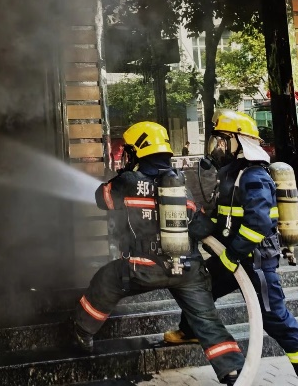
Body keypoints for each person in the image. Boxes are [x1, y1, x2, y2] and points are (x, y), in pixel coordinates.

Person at [164, 110, 298, 386]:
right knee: (199, 285)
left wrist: (231, 255)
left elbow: (258, 224)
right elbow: (221, 218)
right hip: (234, 257)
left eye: (222, 141)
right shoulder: (231, 176)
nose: (217, 148)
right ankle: (190, 329)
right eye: (216, 142)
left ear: (239, 142)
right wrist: (196, 226)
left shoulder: (254, 177)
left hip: (256, 261)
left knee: (276, 319)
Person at [72, 121, 244, 386]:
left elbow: (101, 199)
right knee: (207, 320)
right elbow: (202, 227)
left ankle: (82, 332)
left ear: (136, 151)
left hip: (143, 268)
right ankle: (232, 370)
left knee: (106, 280)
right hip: (187, 269)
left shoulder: (128, 182)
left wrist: (122, 176)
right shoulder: (181, 185)